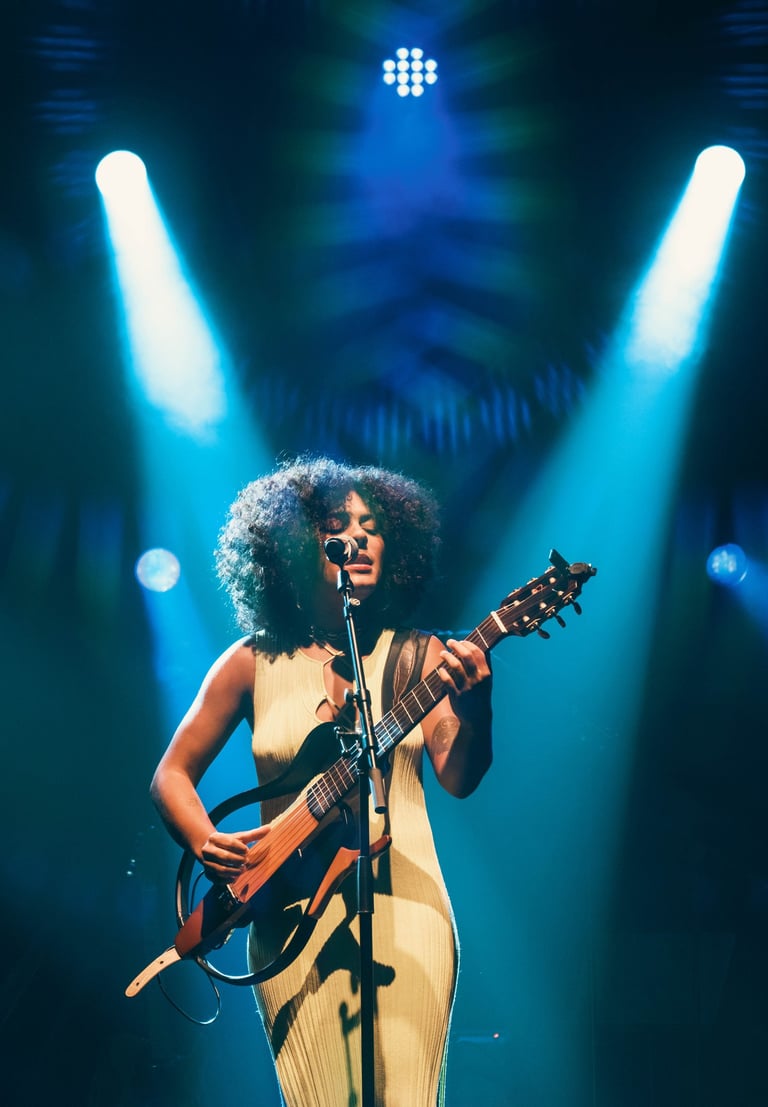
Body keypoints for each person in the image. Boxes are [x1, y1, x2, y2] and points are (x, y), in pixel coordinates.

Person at [149, 455, 493, 1107]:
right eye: (339, 523)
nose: (358, 536)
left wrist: (477, 708)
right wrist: (203, 839)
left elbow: (459, 775)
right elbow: (171, 774)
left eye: (373, 526)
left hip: (405, 905)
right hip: (287, 916)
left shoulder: (421, 656)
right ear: (292, 546)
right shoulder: (249, 661)